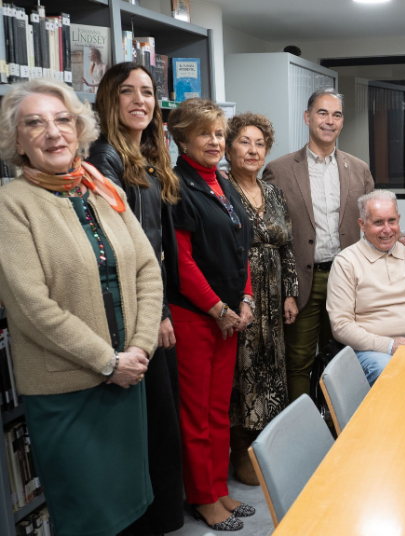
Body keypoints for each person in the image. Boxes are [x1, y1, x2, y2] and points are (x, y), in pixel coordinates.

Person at [0, 79, 162, 536]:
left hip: (129, 378)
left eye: (62, 120)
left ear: (79, 129)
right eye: (35, 123)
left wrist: (139, 349)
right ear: (17, 140)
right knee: (89, 517)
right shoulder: (10, 206)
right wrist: (108, 361)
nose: (53, 133)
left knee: (132, 509)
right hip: (69, 391)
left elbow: (148, 271)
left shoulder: (103, 191)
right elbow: (31, 306)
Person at [263, 88, 405, 401]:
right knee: (299, 362)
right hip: (303, 282)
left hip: (349, 278)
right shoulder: (279, 170)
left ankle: (339, 425)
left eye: (336, 115)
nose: (329, 121)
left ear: (342, 122)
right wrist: (285, 290)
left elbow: (375, 216)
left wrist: (400, 237)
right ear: (308, 118)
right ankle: (302, 434)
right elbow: (272, 237)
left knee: (345, 359)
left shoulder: (358, 168)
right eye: (322, 113)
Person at [86, 62, 184, 536]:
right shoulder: (104, 157)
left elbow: (156, 242)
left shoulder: (144, 155)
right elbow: (127, 249)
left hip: (150, 301)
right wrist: (160, 313)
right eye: (128, 91)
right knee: (151, 424)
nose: (140, 100)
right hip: (134, 313)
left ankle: (164, 515)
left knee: (163, 422)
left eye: (147, 91)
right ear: (110, 99)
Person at [167, 98, 255, 531]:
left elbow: (242, 250)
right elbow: (183, 264)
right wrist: (219, 307)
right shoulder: (176, 186)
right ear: (182, 138)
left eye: (219, 133)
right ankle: (202, 498)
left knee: (220, 410)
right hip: (196, 318)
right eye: (205, 133)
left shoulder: (223, 182)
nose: (215, 141)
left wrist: (246, 300)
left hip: (229, 317)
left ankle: (218, 489)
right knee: (196, 413)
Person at [225, 112, 299, 486]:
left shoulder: (273, 192)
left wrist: (291, 293)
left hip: (274, 297)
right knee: (243, 370)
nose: (253, 150)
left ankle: (268, 443)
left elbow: (286, 247)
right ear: (229, 146)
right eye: (244, 142)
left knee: (273, 368)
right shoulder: (221, 189)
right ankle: (240, 445)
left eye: (260, 144)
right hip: (242, 295)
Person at [327, 190, 405, 385]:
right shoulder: (346, 262)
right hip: (374, 351)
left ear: (399, 220)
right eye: (378, 222)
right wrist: (390, 345)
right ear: (362, 225)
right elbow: (341, 325)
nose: (387, 229)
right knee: (395, 375)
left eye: (392, 221)